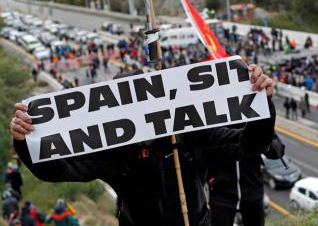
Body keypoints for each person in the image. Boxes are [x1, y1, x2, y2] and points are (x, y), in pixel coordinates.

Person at [10, 64, 276, 226]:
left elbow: (250, 144)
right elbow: (56, 170)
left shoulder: (189, 137)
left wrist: (261, 104)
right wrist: (25, 141)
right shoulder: (112, 152)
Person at [208, 133, 285, 226]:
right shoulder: (214, 121)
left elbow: (279, 149)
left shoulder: (256, 120)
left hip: (253, 191)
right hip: (221, 192)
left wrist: (264, 142)